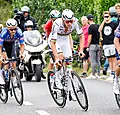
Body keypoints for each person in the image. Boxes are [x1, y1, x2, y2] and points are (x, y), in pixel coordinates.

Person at [49, 9, 84, 101]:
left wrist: (81, 50)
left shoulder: (76, 22)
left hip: (65, 40)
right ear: (63, 20)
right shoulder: (57, 23)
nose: (69, 24)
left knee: (69, 64)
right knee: (60, 58)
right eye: (67, 21)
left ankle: (70, 90)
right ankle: (56, 78)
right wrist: (56, 57)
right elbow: (53, 43)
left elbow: (81, 36)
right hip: (56, 41)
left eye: (71, 21)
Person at [0, 18, 24, 84]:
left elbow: (22, 45)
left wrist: (21, 53)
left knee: (14, 62)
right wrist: (1, 56)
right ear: (8, 28)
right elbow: (0, 46)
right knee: (5, 60)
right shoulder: (4, 33)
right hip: (4, 45)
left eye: (15, 29)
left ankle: (13, 78)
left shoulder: (19, 32)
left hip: (12, 44)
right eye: (11, 29)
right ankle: (1, 76)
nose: (13, 31)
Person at [99, 11, 118, 82]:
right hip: (105, 43)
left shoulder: (114, 24)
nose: (106, 18)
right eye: (105, 16)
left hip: (112, 42)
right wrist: (103, 22)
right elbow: (99, 30)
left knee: (114, 58)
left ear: (110, 16)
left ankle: (113, 72)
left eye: (107, 16)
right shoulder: (103, 24)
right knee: (109, 58)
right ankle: (111, 72)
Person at [86, 14, 101, 79]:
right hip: (98, 44)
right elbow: (100, 35)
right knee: (98, 60)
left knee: (93, 60)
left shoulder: (90, 27)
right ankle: (98, 73)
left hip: (92, 45)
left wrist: (87, 45)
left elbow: (90, 37)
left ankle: (93, 74)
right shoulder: (98, 26)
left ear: (88, 19)